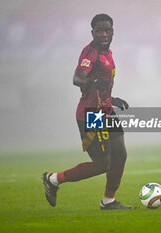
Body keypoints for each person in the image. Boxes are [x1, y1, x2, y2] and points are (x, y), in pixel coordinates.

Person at [42, 14, 132, 210]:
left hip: (106, 110)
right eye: (99, 30)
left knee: (120, 155)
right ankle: (54, 179)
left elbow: (101, 82)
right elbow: (78, 78)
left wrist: (111, 98)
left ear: (113, 31)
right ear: (92, 33)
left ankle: (108, 201)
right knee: (102, 164)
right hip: (91, 114)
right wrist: (91, 82)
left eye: (107, 30)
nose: (104, 34)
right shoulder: (90, 53)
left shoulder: (107, 53)